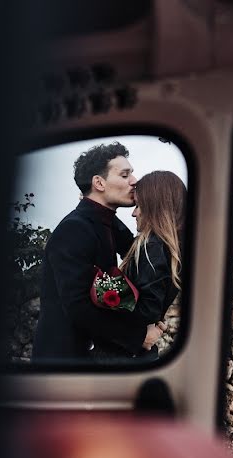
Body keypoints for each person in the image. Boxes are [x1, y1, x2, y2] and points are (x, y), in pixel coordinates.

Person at [32, 142, 163, 361]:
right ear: (99, 182)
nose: (135, 181)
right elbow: (78, 307)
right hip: (65, 365)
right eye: (124, 175)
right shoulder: (74, 229)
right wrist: (138, 336)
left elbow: (139, 254)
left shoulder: (105, 223)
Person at [118, 170, 186, 363]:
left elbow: (148, 310)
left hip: (128, 359)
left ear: (155, 208)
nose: (133, 212)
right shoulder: (170, 247)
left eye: (139, 206)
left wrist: (109, 297)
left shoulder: (152, 247)